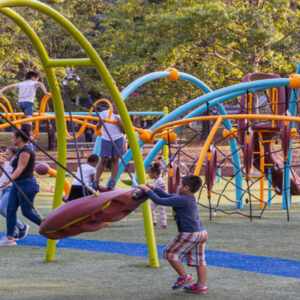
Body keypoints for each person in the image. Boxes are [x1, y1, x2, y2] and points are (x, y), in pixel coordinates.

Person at [137, 175, 208, 294]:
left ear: (186, 188)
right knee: (200, 260)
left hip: (189, 233)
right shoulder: (187, 198)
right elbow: (166, 196)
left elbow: (160, 201)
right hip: (201, 233)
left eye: (180, 184)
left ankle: (184, 276)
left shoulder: (182, 199)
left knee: (169, 253)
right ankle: (201, 286)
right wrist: (154, 188)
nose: (178, 186)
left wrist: (147, 190)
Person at [0, 125, 41, 246]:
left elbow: (20, 168)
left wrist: (8, 180)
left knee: (26, 212)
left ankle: (52, 231)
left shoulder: (26, 151)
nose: (12, 139)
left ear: (19, 138)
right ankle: (9, 238)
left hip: (26, 184)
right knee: (10, 210)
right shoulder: (20, 151)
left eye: (14, 136)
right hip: (17, 184)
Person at [0, 147, 29, 240]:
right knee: (5, 210)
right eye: (5, 153)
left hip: (11, 188)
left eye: (7, 154)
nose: (5, 155)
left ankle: (21, 227)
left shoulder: (16, 164)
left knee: (2, 209)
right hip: (3, 188)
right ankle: (14, 229)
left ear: (14, 155)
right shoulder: (7, 163)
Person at [95, 103, 125, 189]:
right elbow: (97, 128)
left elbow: (124, 131)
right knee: (104, 159)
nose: (117, 107)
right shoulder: (104, 113)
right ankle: (96, 181)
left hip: (118, 138)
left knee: (115, 158)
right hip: (106, 138)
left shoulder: (123, 115)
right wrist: (100, 123)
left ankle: (112, 181)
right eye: (116, 105)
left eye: (119, 106)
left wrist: (120, 124)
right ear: (112, 105)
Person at [147, 162, 167, 229]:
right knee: (150, 208)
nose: (149, 175)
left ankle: (164, 224)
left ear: (154, 173)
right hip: (156, 199)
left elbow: (164, 188)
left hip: (161, 199)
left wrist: (160, 193)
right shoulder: (156, 180)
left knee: (162, 211)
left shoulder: (160, 180)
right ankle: (154, 221)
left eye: (149, 173)